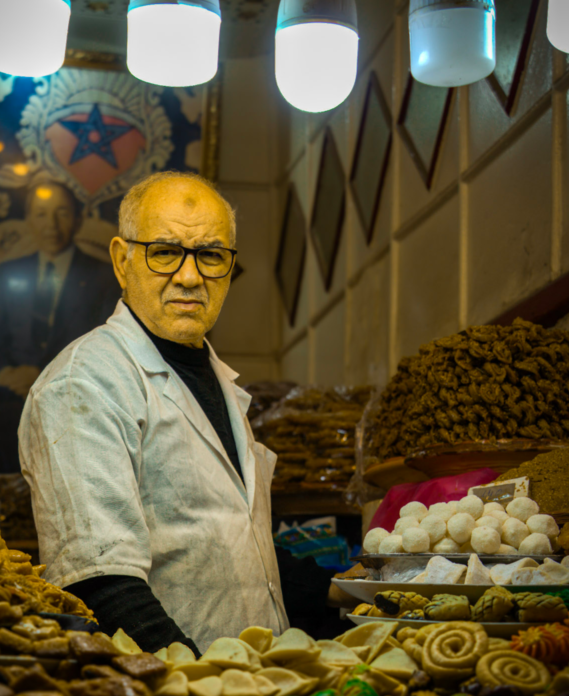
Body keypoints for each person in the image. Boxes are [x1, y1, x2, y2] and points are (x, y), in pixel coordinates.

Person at [19, 171, 355, 654]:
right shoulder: (84, 382)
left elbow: (234, 543)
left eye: (211, 255)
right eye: (164, 251)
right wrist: (198, 682)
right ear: (122, 260)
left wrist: (343, 591)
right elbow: (101, 582)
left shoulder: (213, 379)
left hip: (253, 689)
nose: (190, 276)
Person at [0, 175, 121, 473]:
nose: (51, 224)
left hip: (67, 393)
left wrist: (41, 376)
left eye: (62, 213)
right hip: (11, 388)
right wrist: (4, 374)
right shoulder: (10, 273)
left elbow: (105, 348)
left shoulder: (103, 278)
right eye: (41, 214)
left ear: (78, 220)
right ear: (28, 220)